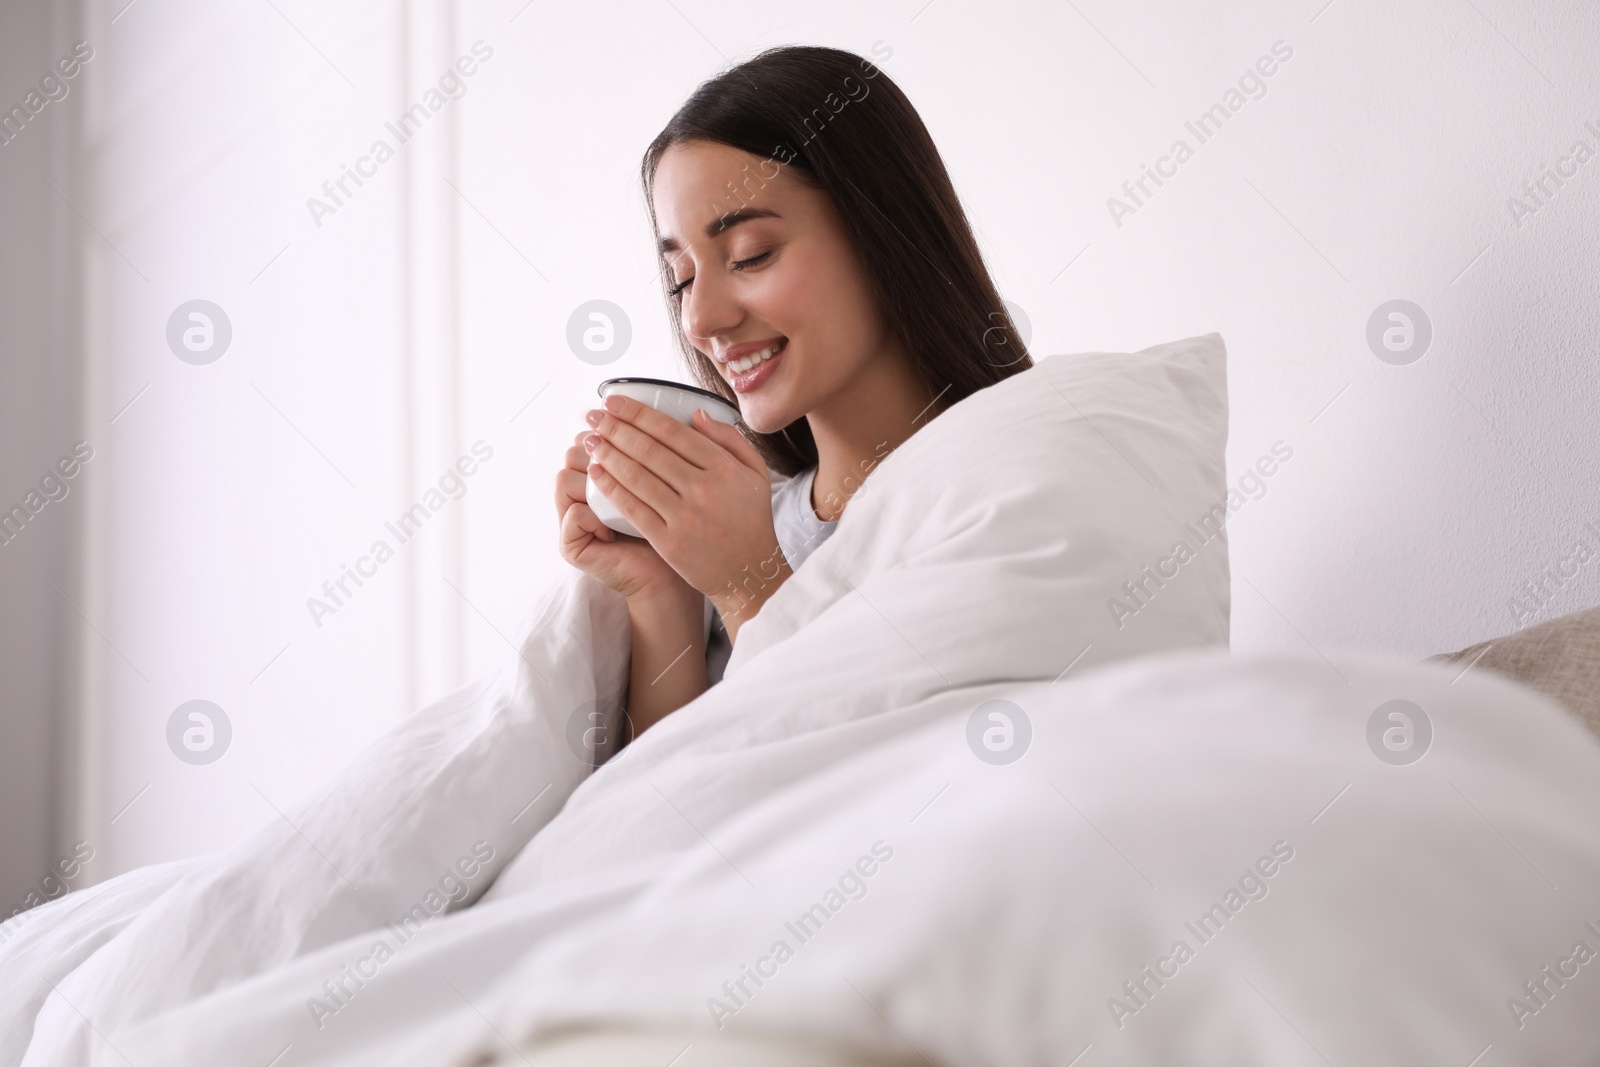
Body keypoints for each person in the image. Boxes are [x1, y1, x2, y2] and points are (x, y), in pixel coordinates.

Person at [553, 45, 1032, 737]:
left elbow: (880, 791)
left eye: (750, 255)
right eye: (682, 278)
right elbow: (661, 820)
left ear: (883, 232)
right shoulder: (734, 526)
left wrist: (752, 586)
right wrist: (660, 592)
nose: (700, 319)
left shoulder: (1007, 493)